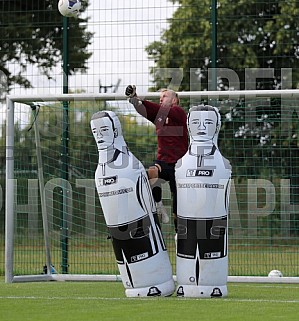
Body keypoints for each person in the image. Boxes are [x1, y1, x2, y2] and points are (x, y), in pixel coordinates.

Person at [90, 110, 175, 297]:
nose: (100, 136)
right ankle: (135, 282)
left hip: (144, 235)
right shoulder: (102, 170)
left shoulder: (130, 165)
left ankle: (156, 280)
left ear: (115, 130)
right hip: (119, 235)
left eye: (104, 129)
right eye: (96, 132)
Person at [125, 85, 188, 230]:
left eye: (164, 97)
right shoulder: (160, 117)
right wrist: (134, 100)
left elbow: (157, 109)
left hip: (179, 166)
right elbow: (145, 111)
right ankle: (158, 205)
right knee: (151, 172)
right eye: (159, 98)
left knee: (178, 209)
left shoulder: (178, 112)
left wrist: (142, 99)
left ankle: (179, 234)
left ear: (175, 100)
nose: (161, 100)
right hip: (163, 162)